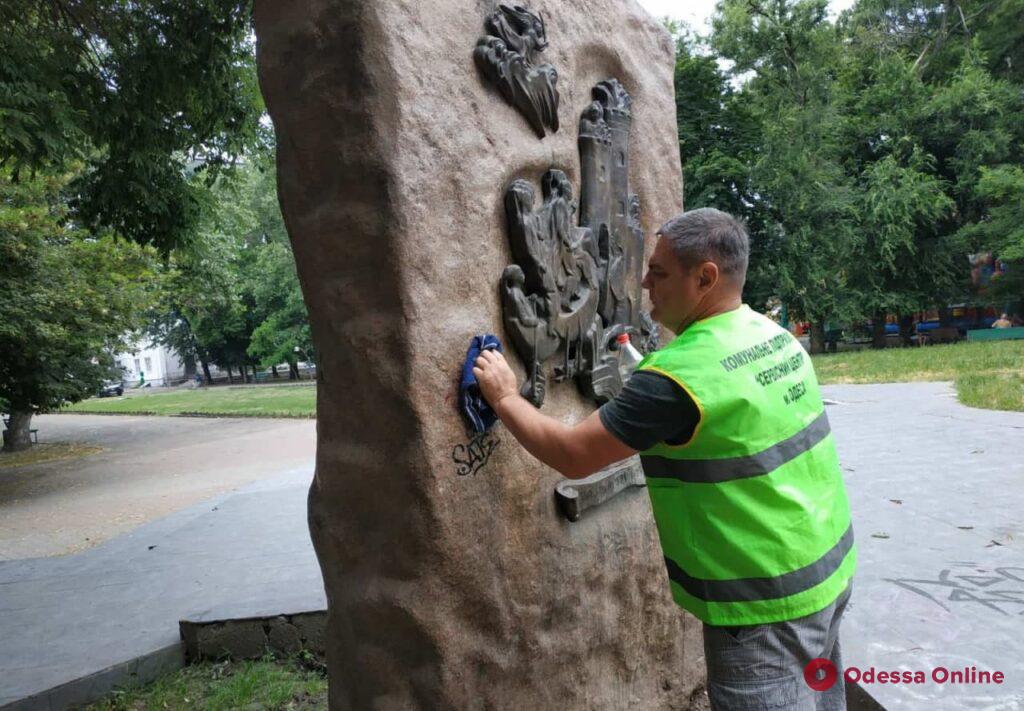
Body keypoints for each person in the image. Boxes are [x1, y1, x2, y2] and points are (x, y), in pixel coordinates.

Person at [473, 208, 855, 710]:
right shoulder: (772, 336)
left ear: (706, 278)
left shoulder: (679, 379)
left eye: (658, 272)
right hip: (825, 572)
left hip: (761, 605)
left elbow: (572, 454)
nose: (645, 283)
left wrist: (503, 398)